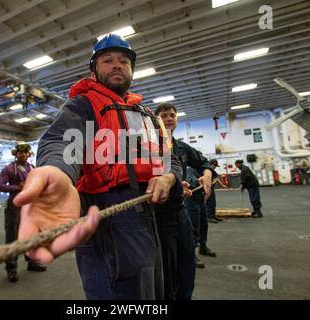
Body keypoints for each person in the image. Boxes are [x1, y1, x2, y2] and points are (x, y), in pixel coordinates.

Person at [14, 34, 184, 299]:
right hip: (107, 214)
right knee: (116, 291)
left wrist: (169, 177)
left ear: (131, 69)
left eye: (123, 61)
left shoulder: (146, 114)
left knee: (150, 288)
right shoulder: (83, 106)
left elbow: (170, 158)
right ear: (95, 70)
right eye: (107, 60)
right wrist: (57, 172)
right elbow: (60, 141)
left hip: (148, 212)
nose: (117, 65)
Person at [154, 103, 214, 300]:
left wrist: (206, 176)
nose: (170, 118)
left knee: (187, 263)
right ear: (156, 120)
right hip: (159, 217)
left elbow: (204, 162)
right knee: (167, 269)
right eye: (164, 115)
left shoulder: (181, 147)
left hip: (181, 213)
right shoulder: (148, 147)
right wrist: (176, 186)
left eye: (173, 115)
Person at [0, 143, 47, 283]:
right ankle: (11, 268)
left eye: (26, 152)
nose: (23, 154)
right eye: (21, 152)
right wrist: (16, 187)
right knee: (13, 236)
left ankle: (32, 262)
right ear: (15, 153)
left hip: (31, 206)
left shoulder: (32, 168)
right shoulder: (8, 169)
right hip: (15, 207)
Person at [185, 166, 217, 270]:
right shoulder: (191, 169)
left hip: (200, 199)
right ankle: (191, 255)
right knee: (194, 227)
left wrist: (209, 175)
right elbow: (190, 181)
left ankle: (203, 247)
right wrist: (199, 180)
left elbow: (214, 175)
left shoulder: (204, 170)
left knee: (204, 224)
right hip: (192, 201)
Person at [206, 159, 223, 223]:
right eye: (215, 166)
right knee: (209, 203)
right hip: (207, 189)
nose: (215, 167)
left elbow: (216, 179)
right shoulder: (207, 170)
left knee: (213, 203)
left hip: (211, 188)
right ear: (213, 164)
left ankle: (213, 215)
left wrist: (222, 185)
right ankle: (209, 217)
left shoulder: (212, 171)